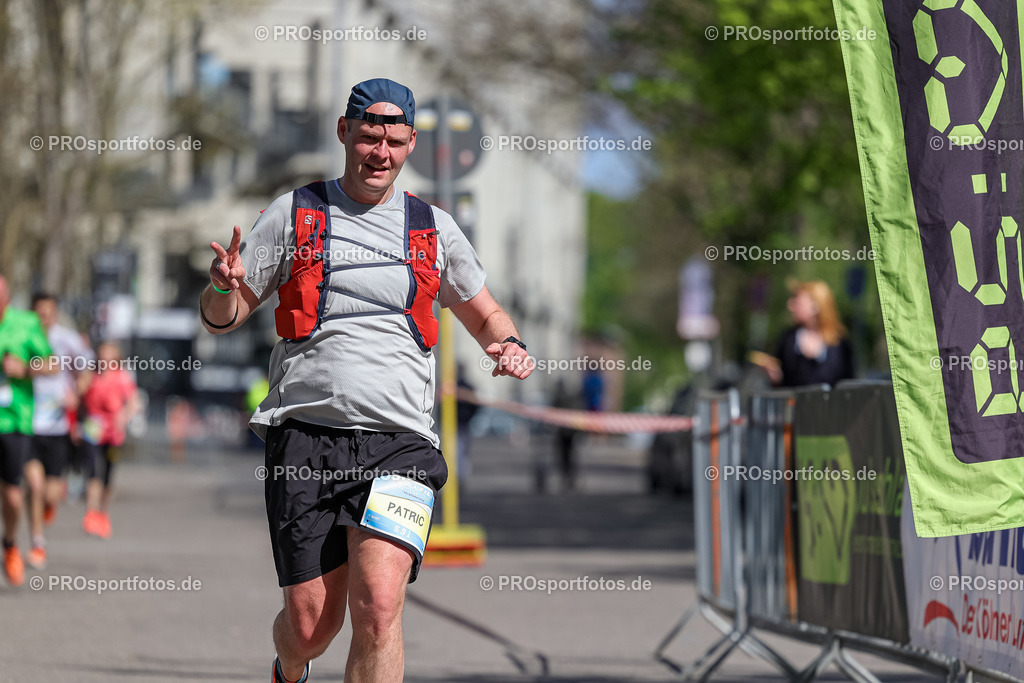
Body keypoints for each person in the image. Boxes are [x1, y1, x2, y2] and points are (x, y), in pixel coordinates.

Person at [199, 78, 533, 683]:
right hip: (306, 438)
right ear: (344, 134)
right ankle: (288, 668)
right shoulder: (296, 212)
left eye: (395, 141)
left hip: (400, 442)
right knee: (310, 626)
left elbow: (485, 312)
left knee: (378, 610)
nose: (381, 152)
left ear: (410, 146)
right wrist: (223, 285)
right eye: (369, 136)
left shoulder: (433, 229)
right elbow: (224, 318)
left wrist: (507, 344)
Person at [24, 293, 93, 568]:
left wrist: (77, 393)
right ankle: (38, 544)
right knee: (34, 485)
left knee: (50, 493)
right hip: (28, 423)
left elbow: (86, 369)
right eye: (39, 313)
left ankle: (48, 505)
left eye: (49, 312)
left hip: (57, 426)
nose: (45, 318)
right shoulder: (23, 338)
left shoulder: (66, 338)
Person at [0, 276, 54, 586]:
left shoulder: (25, 323)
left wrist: (24, 368)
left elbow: (52, 363)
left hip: (13, 421)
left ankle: (9, 542)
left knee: (13, 495)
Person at [80, 341, 138, 539]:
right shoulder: (91, 374)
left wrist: (124, 417)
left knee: (107, 475)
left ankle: (103, 513)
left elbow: (133, 402)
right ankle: (91, 512)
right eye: (102, 352)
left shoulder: (122, 376)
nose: (104, 357)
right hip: (93, 429)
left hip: (113, 433)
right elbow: (79, 395)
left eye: (108, 353)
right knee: (92, 472)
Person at [761, 279, 855, 388]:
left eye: (797, 301)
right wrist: (776, 378)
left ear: (816, 306)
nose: (790, 305)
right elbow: (781, 386)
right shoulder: (788, 339)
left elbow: (849, 384)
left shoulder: (840, 343)